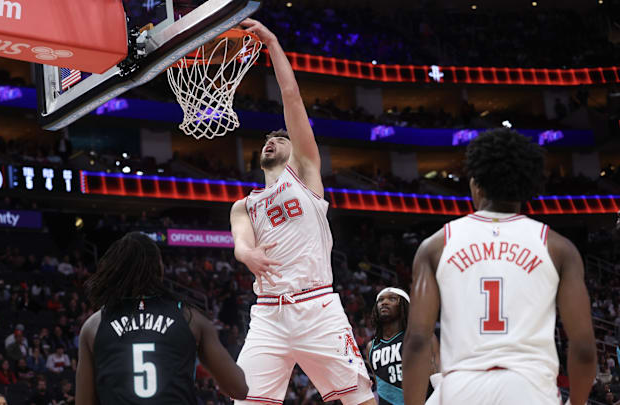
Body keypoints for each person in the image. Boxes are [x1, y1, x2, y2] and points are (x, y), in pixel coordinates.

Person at [229, 19, 374, 405]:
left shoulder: (306, 177)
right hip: (268, 315)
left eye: (279, 138)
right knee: (243, 400)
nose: (271, 141)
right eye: (268, 140)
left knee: (359, 399)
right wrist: (247, 254)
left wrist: (273, 43)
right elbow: (241, 243)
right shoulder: (245, 204)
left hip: (317, 306)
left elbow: (292, 97)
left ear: (295, 150)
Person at [402, 128, 597, 405]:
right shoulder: (558, 248)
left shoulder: (436, 246)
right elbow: (585, 349)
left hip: (461, 388)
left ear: (476, 185)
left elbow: (418, 341)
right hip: (530, 390)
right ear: (526, 187)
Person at [75, 232, 248, 404]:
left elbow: (83, 402)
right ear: (160, 268)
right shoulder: (190, 318)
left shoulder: (94, 325)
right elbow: (238, 388)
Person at [367, 288, 439, 405]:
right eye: (380, 300)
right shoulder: (371, 346)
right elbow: (380, 384)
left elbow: (437, 374)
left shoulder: (422, 336)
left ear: (404, 306)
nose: (384, 302)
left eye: (392, 299)